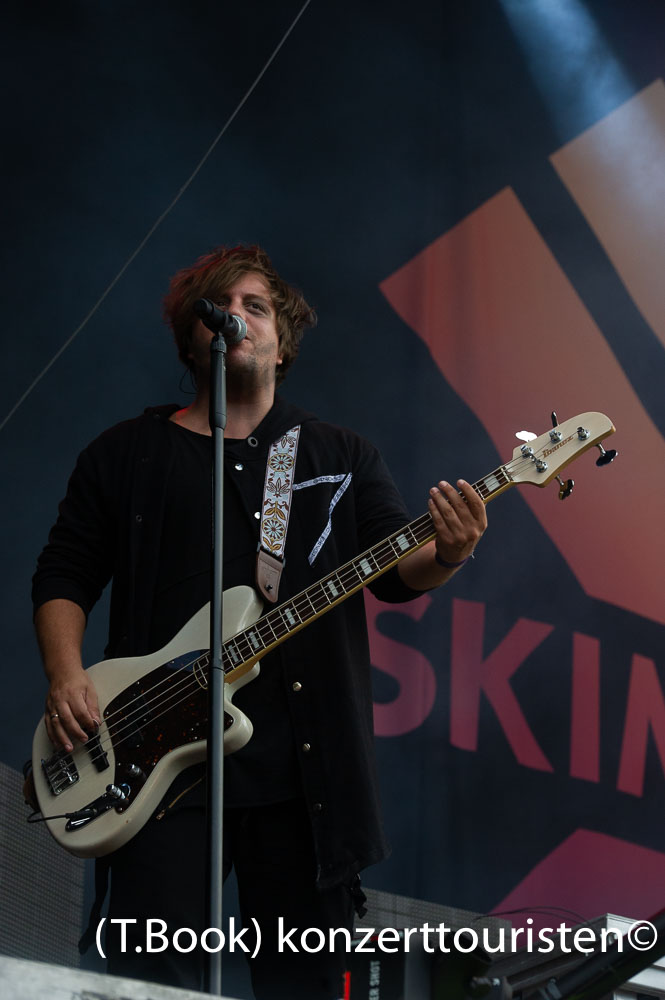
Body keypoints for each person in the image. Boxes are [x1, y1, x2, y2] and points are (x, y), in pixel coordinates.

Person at [32, 245, 487, 999]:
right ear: (192, 340)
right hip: (152, 764)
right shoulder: (125, 454)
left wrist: (450, 553)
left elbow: (397, 573)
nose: (237, 317)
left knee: (305, 982)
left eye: (257, 307)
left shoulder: (341, 455)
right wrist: (65, 675)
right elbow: (64, 573)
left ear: (283, 342)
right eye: (221, 306)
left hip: (303, 775)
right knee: (153, 980)